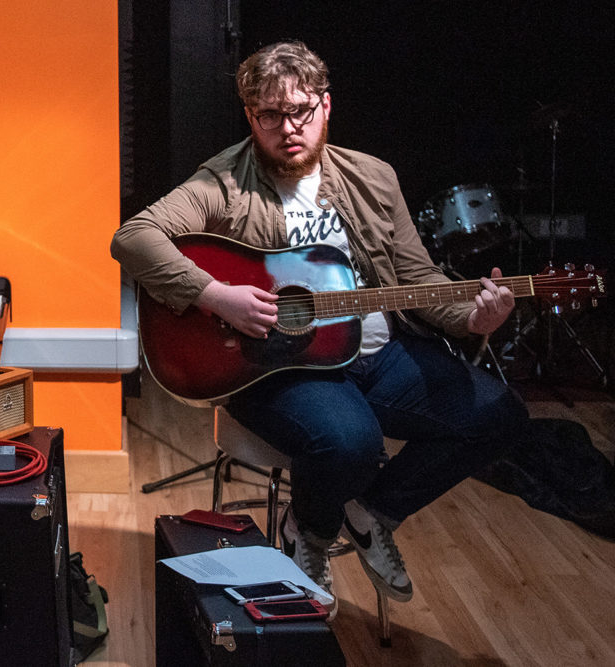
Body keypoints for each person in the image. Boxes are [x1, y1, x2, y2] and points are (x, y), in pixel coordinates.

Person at [111, 40, 528, 613]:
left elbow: (420, 280)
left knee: (498, 414)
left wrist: (476, 317)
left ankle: (372, 511)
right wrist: (218, 296)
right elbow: (133, 238)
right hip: (276, 367)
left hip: (378, 356)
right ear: (251, 118)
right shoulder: (224, 183)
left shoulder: (374, 179)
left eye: (301, 111)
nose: (288, 128)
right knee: (350, 442)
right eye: (270, 116)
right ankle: (306, 534)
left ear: (325, 106)